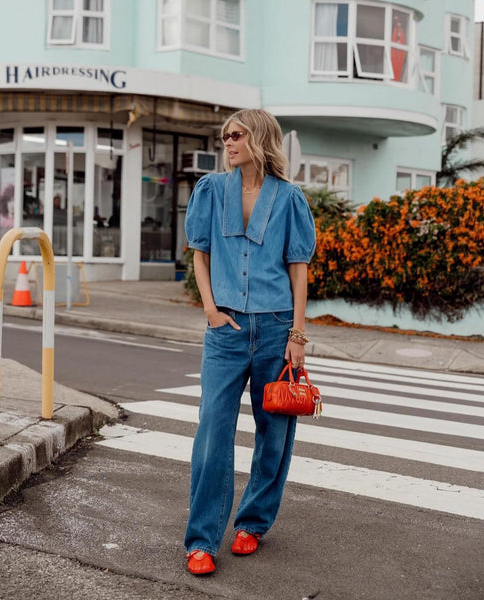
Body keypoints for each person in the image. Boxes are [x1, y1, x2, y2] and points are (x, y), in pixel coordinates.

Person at [183, 109, 316, 575]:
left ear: (259, 138)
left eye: (236, 135)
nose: (227, 142)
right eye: (224, 136)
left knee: (273, 433)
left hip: (277, 328)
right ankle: (201, 539)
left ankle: (253, 523)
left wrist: (297, 333)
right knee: (212, 433)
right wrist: (210, 310)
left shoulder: (289, 199)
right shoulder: (211, 190)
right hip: (226, 331)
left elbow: (298, 268)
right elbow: (199, 254)